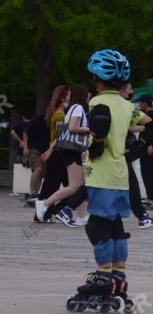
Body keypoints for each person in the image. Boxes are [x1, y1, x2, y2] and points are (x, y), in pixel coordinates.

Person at [68, 49, 153, 306]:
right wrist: (136, 149)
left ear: (97, 78)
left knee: (98, 226)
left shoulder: (96, 103)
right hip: (121, 176)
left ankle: (104, 278)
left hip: (102, 174)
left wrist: (95, 147)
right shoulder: (128, 105)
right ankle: (119, 277)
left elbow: (99, 132)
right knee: (117, 227)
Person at [35, 85, 91, 221]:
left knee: (77, 185)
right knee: (73, 187)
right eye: (88, 94)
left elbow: (61, 135)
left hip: (63, 151)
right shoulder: (65, 112)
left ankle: (78, 215)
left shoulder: (67, 110)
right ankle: (47, 206)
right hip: (65, 151)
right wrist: (89, 128)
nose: (90, 96)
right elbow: (64, 134)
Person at [34, 85, 70, 221]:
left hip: (56, 154)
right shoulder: (60, 114)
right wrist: (50, 150)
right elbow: (60, 137)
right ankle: (51, 212)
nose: (70, 99)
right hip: (58, 154)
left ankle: (45, 213)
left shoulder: (55, 112)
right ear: (62, 98)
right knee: (71, 187)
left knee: (51, 186)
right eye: (68, 96)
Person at [137, 94, 153, 205]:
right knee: (148, 172)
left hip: (149, 147)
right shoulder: (149, 115)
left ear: (145, 102)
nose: (139, 104)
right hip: (147, 146)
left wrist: (150, 144)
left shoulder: (152, 115)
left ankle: (152, 197)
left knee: (148, 172)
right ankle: (151, 196)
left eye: (141, 102)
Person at [22, 113, 49, 205]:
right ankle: (32, 193)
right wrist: (25, 147)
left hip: (45, 151)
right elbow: (25, 133)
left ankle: (35, 197)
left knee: (41, 175)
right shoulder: (38, 119)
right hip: (33, 149)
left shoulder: (56, 121)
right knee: (38, 169)